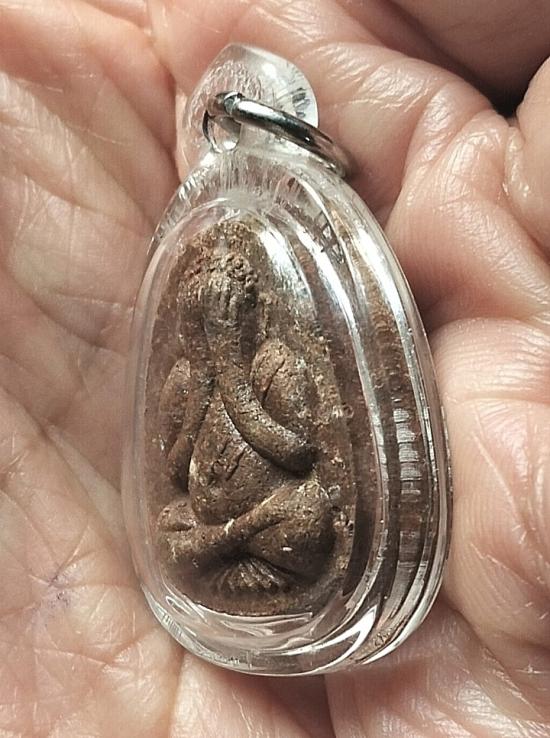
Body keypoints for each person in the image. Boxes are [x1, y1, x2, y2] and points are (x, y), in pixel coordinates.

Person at [0, 1, 549, 736]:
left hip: (276, 524)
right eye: (202, 315)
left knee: (309, 515)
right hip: (220, 532)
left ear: (250, 312)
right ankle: (226, 547)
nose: (210, 325)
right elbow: (174, 467)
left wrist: (232, 374)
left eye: (224, 313)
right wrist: (203, 387)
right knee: (174, 531)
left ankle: (232, 546)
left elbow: (296, 454)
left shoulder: (273, 365)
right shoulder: (183, 380)